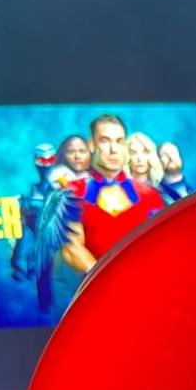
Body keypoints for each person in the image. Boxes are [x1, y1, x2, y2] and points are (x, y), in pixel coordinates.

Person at [60, 115, 164, 275]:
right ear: (91, 144)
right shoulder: (72, 192)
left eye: (119, 141)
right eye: (105, 140)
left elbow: (161, 247)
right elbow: (71, 249)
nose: (113, 150)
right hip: (95, 287)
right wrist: (110, 283)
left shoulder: (150, 195)